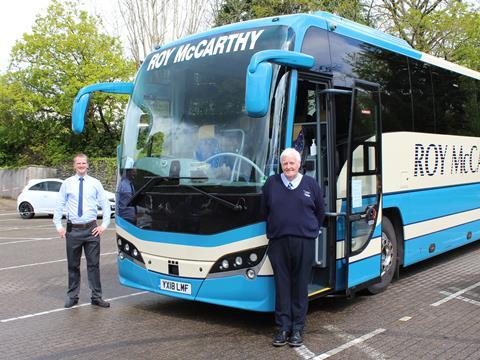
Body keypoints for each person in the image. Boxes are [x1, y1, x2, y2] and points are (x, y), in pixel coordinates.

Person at [262, 148, 325, 347]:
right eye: (285, 164)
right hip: (278, 242)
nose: (288, 167)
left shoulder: (310, 184)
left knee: (300, 286)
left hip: (304, 242)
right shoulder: (271, 184)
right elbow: (264, 210)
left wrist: (311, 230)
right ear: (281, 165)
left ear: (299, 165)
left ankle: (297, 329)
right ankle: (282, 328)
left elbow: (320, 211)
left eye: (292, 163)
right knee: (282, 285)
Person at [53, 153, 111, 309]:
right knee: (73, 265)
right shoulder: (67, 183)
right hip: (73, 231)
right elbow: (59, 205)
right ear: (74, 165)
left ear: (87, 165)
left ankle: (96, 297)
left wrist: (104, 225)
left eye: (83, 163)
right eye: (78, 163)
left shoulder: (95, 183)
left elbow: (105, 205)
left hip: (92, 230)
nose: (81, 165)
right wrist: (58, 226)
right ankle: (73, 296)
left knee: (94, 265)